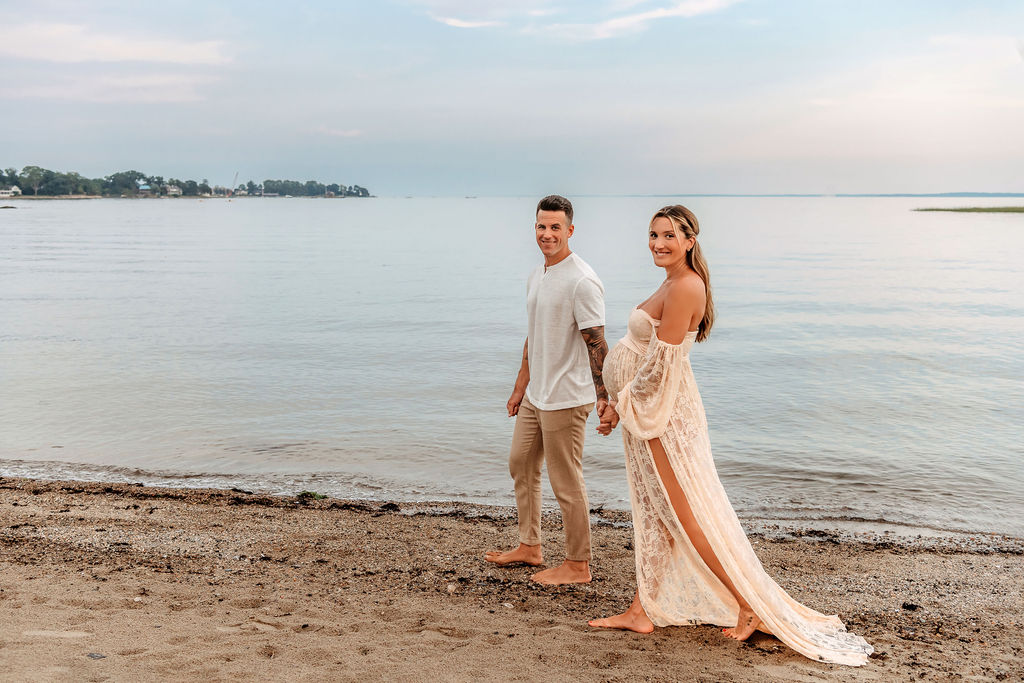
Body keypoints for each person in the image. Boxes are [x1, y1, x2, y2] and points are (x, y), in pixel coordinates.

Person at [588, 205, 872, 666]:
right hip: (647, 414)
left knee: (686, 514)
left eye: (668, 236)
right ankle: (643, 609)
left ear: (689, 241)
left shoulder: (686, 286)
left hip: (661, 418)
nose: (657, 243)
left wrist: (619, 406)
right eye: (652, 234)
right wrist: (617, 400)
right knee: (655, 510)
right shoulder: (672, 280)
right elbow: (649, 360)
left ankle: (747, 604)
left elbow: (662, 368)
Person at [484, 195, 608, 585]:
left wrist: (605, 398)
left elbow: (597, 344)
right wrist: (521, 385)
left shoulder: (582, 280)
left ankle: (578, 564)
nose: (547, 234)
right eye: (542, 226)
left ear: (570, 230)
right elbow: (533, 333)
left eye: (556, 227)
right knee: (520, 463)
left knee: (566, 481)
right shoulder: (537, 275)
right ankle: (530, 546)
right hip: (538, 394)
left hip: (567, 398)